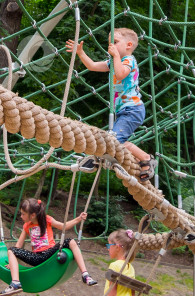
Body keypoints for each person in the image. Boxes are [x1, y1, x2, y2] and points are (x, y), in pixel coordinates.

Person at [65, 28, 156, 181]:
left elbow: (121, 74)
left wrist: (114, 56)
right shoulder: (113, 62)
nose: (110, 46)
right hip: (124, 110)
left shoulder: (129, 60)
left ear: (128, 45)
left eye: (115, 42)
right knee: (116, 139)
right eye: (110, 43)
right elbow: (93, 66)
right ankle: (145, 158)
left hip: (132, 109)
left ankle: (96, 159)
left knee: (113, 139)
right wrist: (80, 53)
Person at [0, 198, 97, 295]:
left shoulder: (47, 219)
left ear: (32, 215)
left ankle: (85, 275)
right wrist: (13, 263)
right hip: (36, 258)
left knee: (70, 241)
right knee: (11, 250)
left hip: (50, 253)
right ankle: (15, 283)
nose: (21, 216)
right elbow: (19, 246)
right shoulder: (26, 226)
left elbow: (64, 226)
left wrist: (78, 219)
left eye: (23, 214)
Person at [103, 228, 137, 296]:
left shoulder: (114, 265)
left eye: (109, 245)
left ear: (117, 248)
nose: (108, 248)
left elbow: (112, 291)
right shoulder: (130, 267)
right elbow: (133, 292)